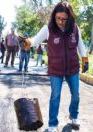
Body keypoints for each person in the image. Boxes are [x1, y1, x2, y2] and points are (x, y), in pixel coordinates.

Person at [25, 2, 88, 131]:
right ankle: (52, 124)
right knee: (55, 96)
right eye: (58, 18)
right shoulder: (48, 28)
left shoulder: (75, 28)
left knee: (75, 94)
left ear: (69, 18)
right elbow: (35, 40)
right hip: (56, 69)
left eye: (64, 19)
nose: (60, 21)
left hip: (72, 67)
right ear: (54, 16)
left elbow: (80, 45)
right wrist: (27, 42)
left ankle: (74, 116)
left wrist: (85, 59)